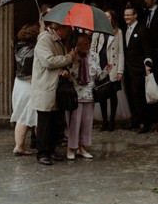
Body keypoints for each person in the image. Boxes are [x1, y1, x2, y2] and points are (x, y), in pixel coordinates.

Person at [31, 20, 77, 165]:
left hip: (57, 87)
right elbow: (48, 61)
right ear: (59, 28)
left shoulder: (59, 42)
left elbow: (59, 64)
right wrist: (69, 58)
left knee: (56, 121)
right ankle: (42, 152)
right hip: (46, 87)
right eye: (67, 29)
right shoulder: (45, 40)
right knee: (45, 122)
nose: (68, 32)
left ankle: (51, 149)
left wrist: (65, 70)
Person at [119, 4, 155, 133]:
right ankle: (135, 120)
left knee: (139, 96)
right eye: (125, 15)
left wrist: (148, 64)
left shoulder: (142, 29)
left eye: (129, 15)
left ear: (135, 15)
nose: (126, 17)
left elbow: (147, 49)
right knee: (131, 95)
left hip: (139, 69)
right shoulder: (125, 29)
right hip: (128, 69)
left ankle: (145, 123)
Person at [66, 33, 100, 160]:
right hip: (76, 94)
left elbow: (97, 73)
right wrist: (75, 62)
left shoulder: (94, 56)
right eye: (81, 44)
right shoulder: (72, 55)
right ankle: (71, 148)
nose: (85, 46)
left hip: (89, 93)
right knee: (74, 123)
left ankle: (82, 147)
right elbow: (69, 73)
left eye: (87, 43)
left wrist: (106, 71)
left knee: (87, 122)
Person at [91, 9, 124, 131]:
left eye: (108, 17)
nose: (106, 19)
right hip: (101, 65)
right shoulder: (98, 32)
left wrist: (120, 70)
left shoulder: (118, 32)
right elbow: (92, 49)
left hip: (112, 66)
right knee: (102, 94)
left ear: (112, 18)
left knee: (113, 94)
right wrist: (93, 65)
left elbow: (120, 52)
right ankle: (104, 121)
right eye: (104, 17)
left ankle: (112, 121)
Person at [10, 23, 39, 156]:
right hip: (29, 84)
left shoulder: (18, 47)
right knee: (34, 117)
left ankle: (19, 146)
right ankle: (37, 145)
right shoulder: (34, 50)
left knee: (21, 116)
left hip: (19, 83)